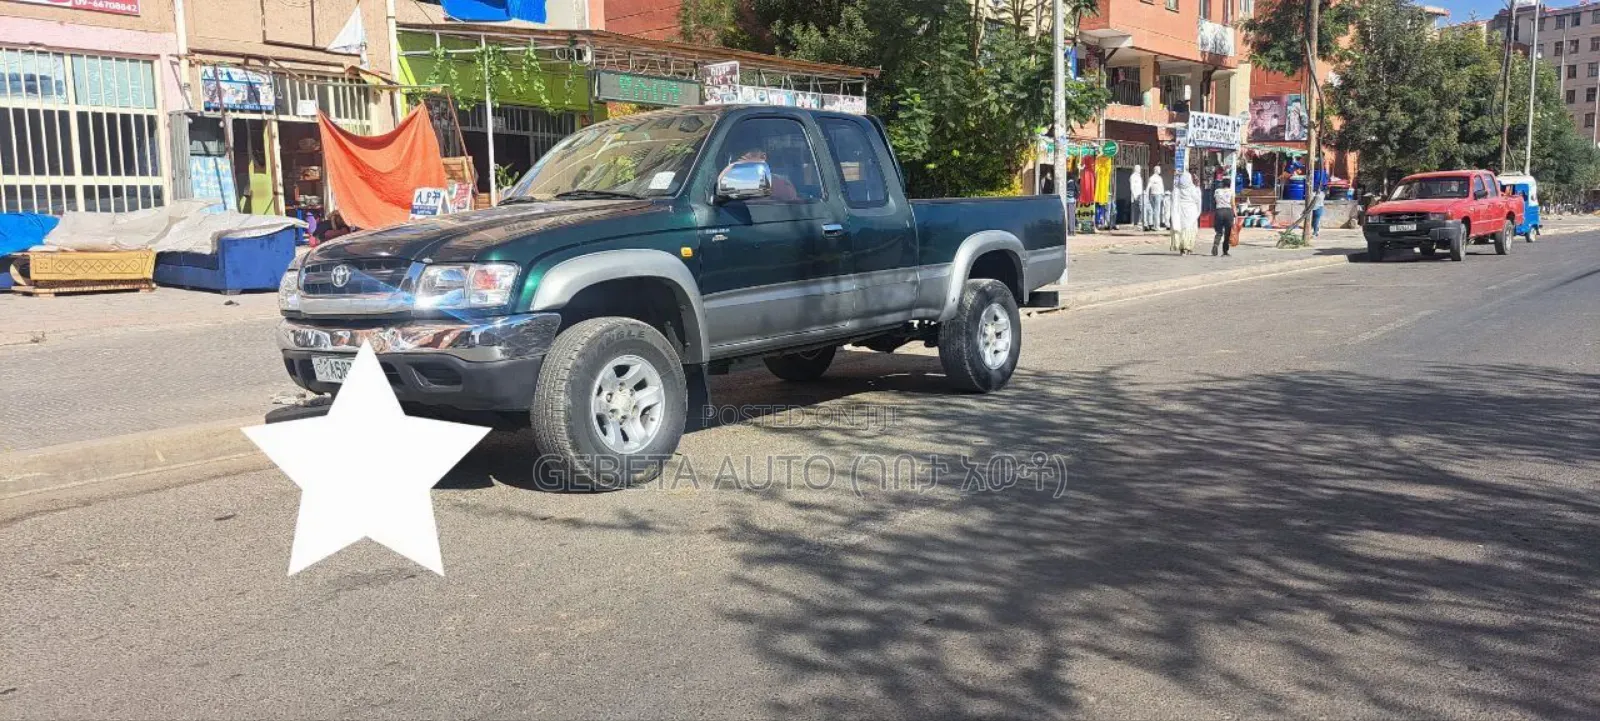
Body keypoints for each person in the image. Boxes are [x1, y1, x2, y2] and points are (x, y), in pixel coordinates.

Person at [1169, 172, 1202, 255]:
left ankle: (1181, 249)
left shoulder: (1177, 189)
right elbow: (1197, 199)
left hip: (1180, 212)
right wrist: (1197, 186)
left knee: (1181, 229)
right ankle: (1189, 247)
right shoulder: (1192, 189)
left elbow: (1173, 199)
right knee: (1190, 229)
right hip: (1191, 212)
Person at [1211, 182, 1236, 256]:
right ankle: (1225, 251)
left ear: (1222, 184)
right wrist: (1236, 215)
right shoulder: (1231, 191)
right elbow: (1233, 204)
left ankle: (1215, 245)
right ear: (1229, 185)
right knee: (1227, 233)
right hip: (1228, 212)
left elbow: (1215, 201)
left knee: (1219, 232)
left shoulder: (1217, 191)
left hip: (1219, 211)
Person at [1142, 166, 1165, 232]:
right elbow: (1148, 186)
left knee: (1154, 211)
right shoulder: (1153, 178)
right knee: (1156, 211)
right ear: (1156, 170)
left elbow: (1161, 187)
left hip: (1157, 195)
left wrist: (1162, 194)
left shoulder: (1159, 178)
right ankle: (1156, 226)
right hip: (1156, 195)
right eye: (1159, 169)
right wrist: (1146, 194)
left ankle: (1154, 225)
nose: (1160, 170)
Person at [1128, 164, 1144, 229]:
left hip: (1140, 195)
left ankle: (1139, 223)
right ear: (1136, 169)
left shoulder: (1139, 176)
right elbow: (1132, 187)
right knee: (1136, 210)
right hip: (1136, 195)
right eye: (1139, 168)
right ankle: (1135, 224)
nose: (1140, 170)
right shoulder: (1133, 176)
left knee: (1140, 209)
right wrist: (1134, 195)